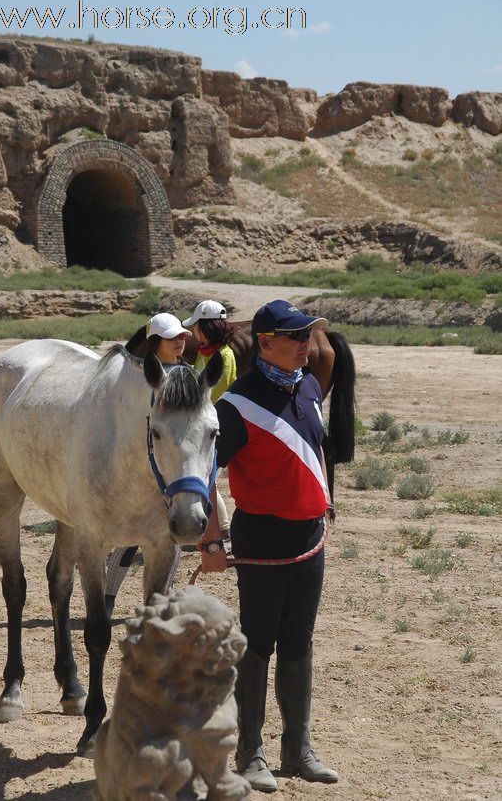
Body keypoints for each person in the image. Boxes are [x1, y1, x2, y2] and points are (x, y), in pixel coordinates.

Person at [199, 300, 338, 792]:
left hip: (308, 539)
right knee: (259, 643)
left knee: (299, 641)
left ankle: (298, 748)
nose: (307, 345)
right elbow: (205, 474)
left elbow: (316, 449)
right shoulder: (233, 407)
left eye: (307, 336)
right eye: (296, 337)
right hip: (262, 539)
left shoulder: (307, 388)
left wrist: (325, 502)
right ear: (265, 343)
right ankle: (251, 752)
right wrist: (211, 540)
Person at [104, 313, 191, 615]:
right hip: (141, 470)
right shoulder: (136, 377)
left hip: (176, 468)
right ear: (155, 342)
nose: (180, 341)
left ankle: (160, 599)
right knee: (128, 542)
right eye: (172, 337)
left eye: (182, 336)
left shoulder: (187, 372)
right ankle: (107, 597)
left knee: (171, 539)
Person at [182, 300, 237, 536]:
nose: (193, 332)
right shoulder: (207, 353)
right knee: (207, 477)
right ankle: (223, 526)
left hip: (211, 425)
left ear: (206, 327)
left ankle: (218, 527)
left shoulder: (223, 356)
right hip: (201, 422)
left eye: (196, 326)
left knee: (207, 476)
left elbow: (213, 393)